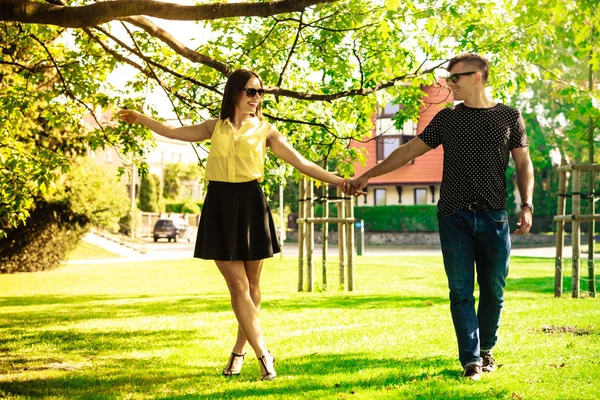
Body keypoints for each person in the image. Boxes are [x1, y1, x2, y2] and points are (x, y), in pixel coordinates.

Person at [119, 69, 348, 381]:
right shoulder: (215, 127)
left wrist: (341, 182)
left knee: (252, 288)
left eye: (259, 92)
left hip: (252, 204)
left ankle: (238, 352)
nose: (256, 97)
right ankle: (264, 354)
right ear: (236, 92)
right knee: (238, 286)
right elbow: (172, 132)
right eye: (251, 91)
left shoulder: (267, 131)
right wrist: (141, 118)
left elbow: (303, 163)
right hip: (220, 205)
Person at [342, 53, 534, 380]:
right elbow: (406, 152)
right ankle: (471, 360)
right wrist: (368, 175)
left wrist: (526, 204)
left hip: (495, 217)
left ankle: (486, 348)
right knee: (460, 291)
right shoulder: (447, 119)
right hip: (453, 217)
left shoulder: (509, 117)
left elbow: (523, 164)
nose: (450, 83)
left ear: (478, 76)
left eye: (456, 77)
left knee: (493, 289)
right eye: (449, 78)